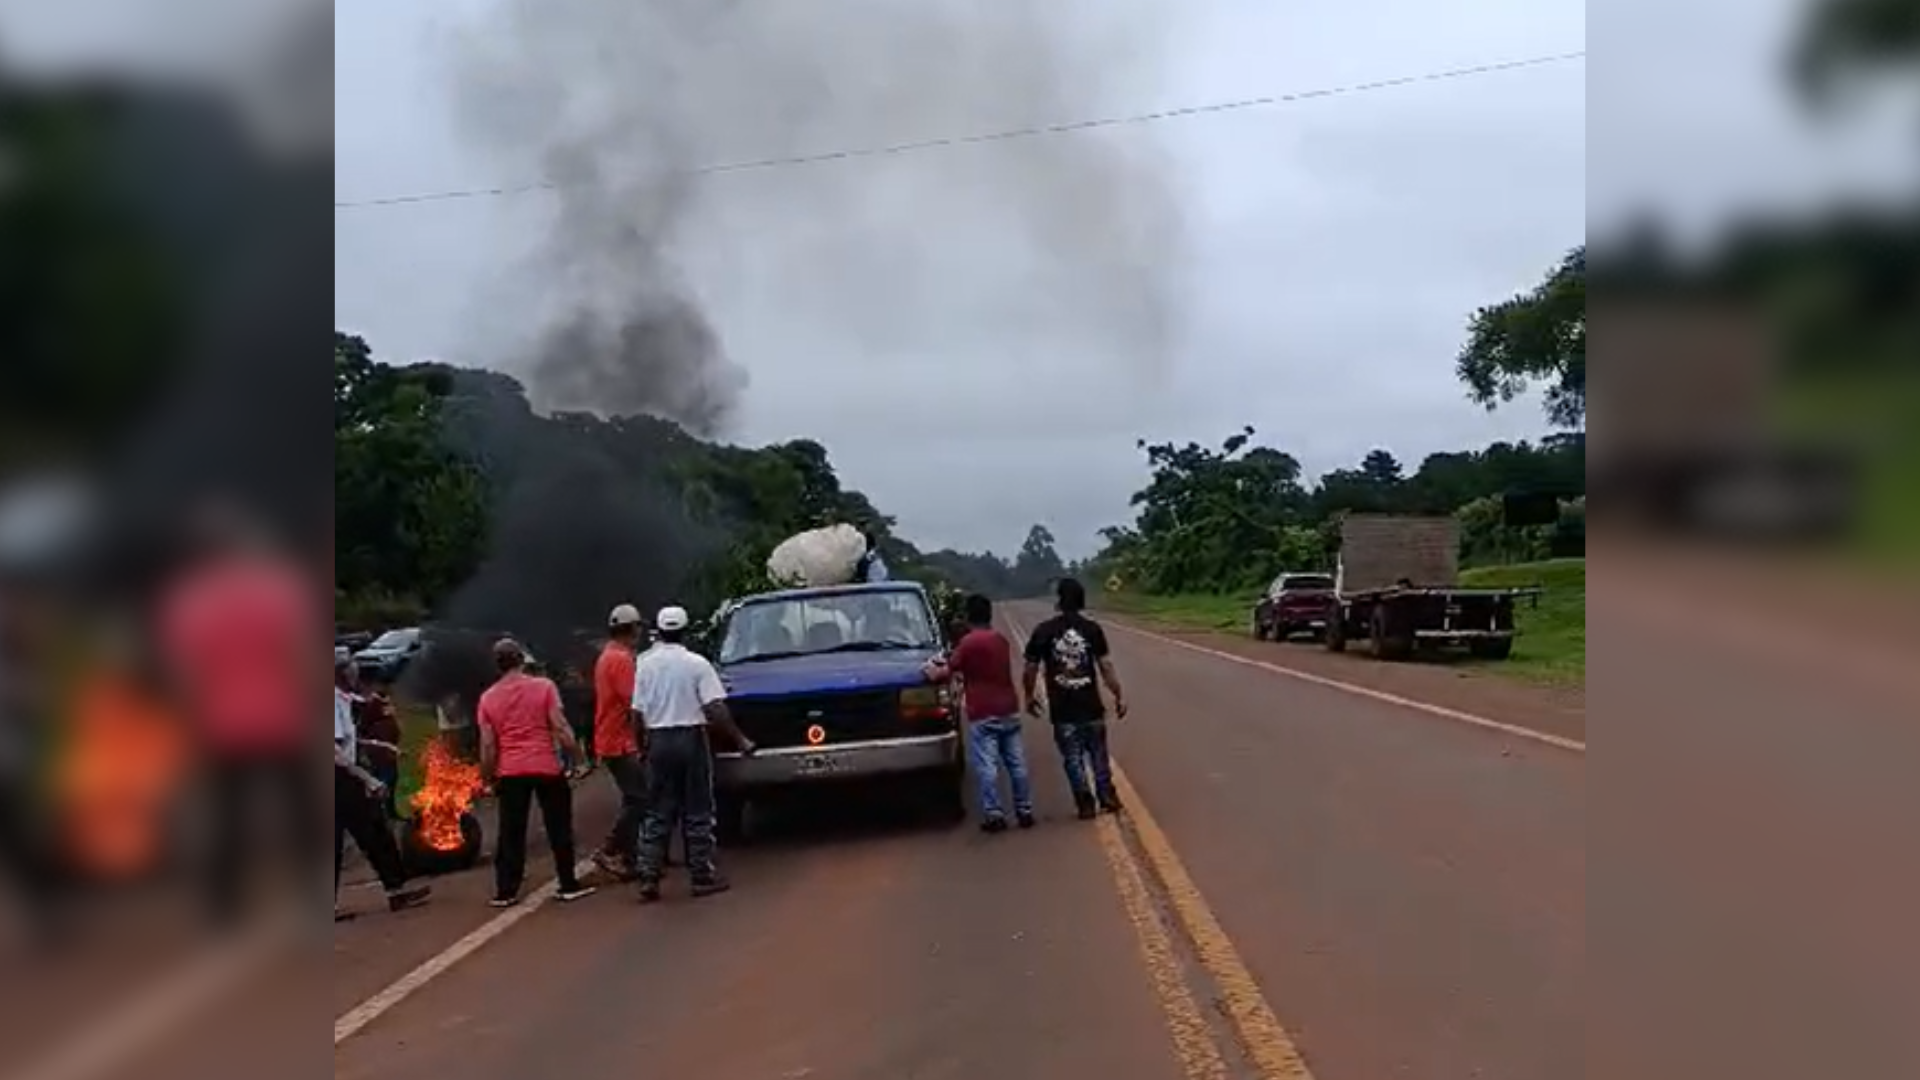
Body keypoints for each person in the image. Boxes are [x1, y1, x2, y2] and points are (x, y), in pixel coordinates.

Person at [629, 605, 757, 902]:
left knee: (658, 810)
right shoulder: (697, 664)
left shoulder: (645, 665)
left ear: (659, 631)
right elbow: (714, 708)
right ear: (685, 631)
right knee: (698, 809)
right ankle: (702, 875)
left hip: (658, 739)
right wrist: (740, 740)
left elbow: (636, 712)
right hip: (690, 738)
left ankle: (648, 875)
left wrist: (641, 747)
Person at [478, 638, 595, 907]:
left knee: (511, 832)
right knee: (559, 826)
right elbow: (561, 727)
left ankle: (505, 891)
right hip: (545, 766)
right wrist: (580, 759)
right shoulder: (544, 687)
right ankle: (567, 884)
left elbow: (487, 744)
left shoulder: (488, 699)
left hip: (510, 771)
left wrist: (487, 778)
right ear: (521, 659)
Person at [334, 649, 430, 919]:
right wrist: (366, 777)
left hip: (343, 776)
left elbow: (348, 742)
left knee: (375, 832)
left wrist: (380, 745)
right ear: (340, 673)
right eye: (352, 667)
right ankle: (395, 890)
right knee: (362, 834)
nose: (357, 672)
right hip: (338, 779)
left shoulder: (342, 700)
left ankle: (396, 890)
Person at [924, 594, 1033, 832]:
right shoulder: (1001, 640)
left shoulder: (968, 643)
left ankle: (994, 814)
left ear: (967, 617)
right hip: (1009, 708)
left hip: (983, 712)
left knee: (986, 765)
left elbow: (943, 673)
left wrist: (929, 668)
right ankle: (1024, 810)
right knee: (1016, 763)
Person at [1021, 577, 1128, 820]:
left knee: (1072, 758)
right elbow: (1106, 666)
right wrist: (1118, 694)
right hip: (1091, 705)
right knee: (1099, 754)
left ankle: (1084, 802)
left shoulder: (1044, 631)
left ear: (1058, 599)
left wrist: (1029, 695)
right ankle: (1107, 797)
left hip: (1062, 707)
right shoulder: (1092, 629)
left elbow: (1030, 668)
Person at [589, 604, 648, 881]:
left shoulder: (607, 656)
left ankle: (631, 858)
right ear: (632, 629)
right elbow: (633, 702)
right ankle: (611, 849)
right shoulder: (621, 660)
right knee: (638, 798)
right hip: (620, 741)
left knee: (633, 797)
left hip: (610, 738)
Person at [354, 672, 403, 820]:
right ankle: (377, 812)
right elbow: (363, 726)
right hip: (378, 750)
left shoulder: (388, 701)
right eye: (388, 685)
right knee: (383, 779)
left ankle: (391, 810)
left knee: (393, 778)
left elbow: (392, 718)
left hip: (390, 747)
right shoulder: (372, 703)